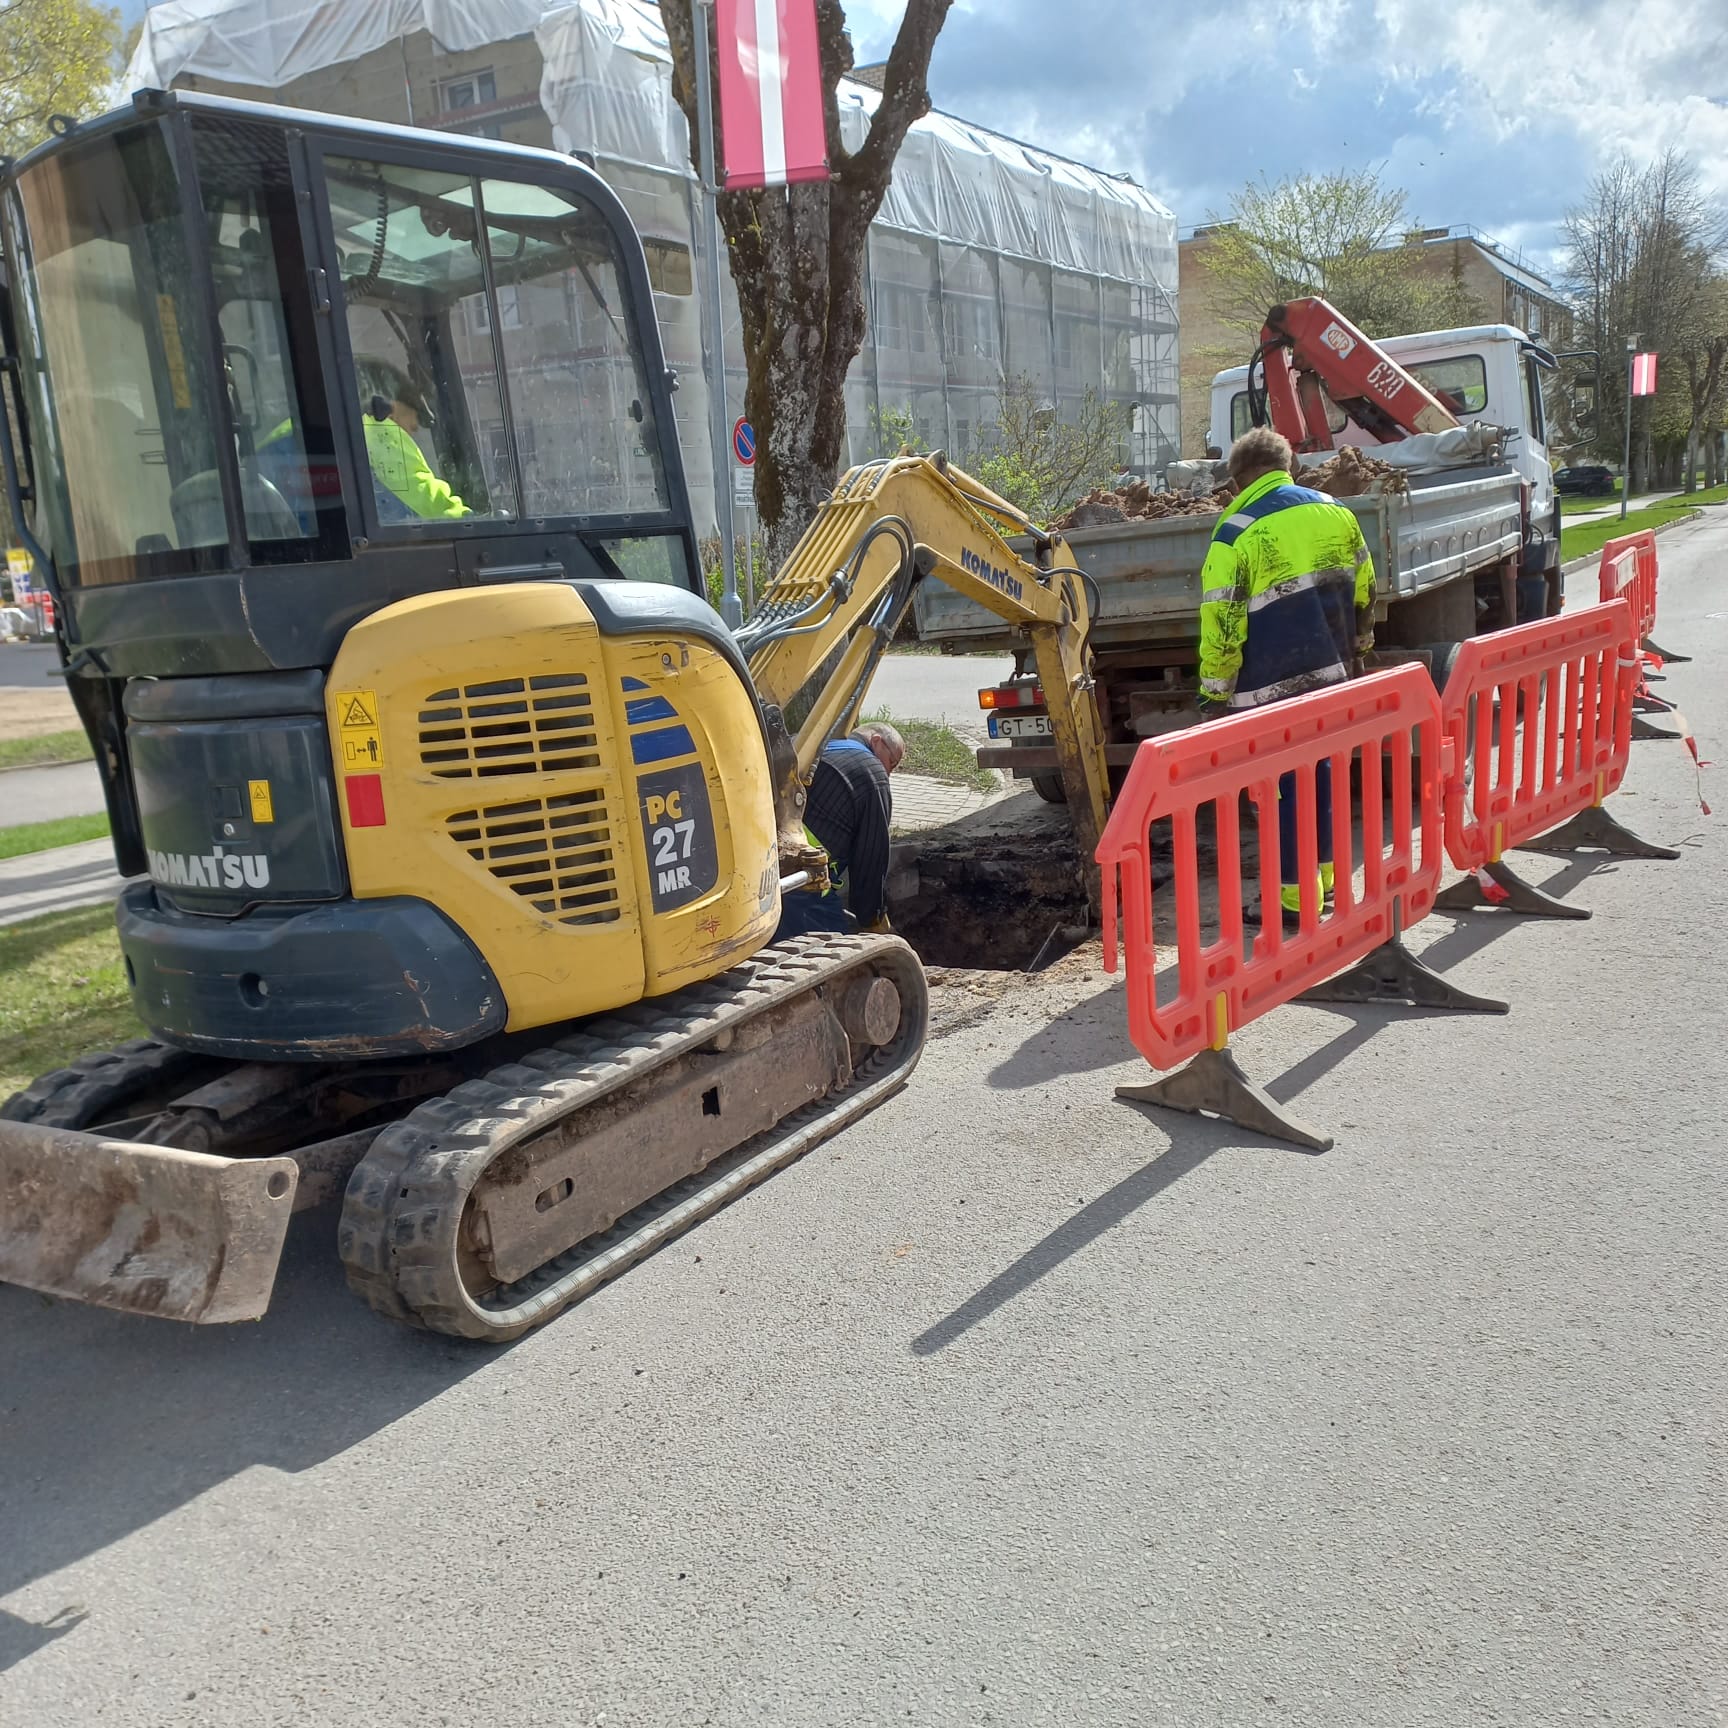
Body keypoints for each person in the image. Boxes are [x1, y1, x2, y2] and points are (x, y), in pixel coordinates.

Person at [1197, 427, 1376, 922]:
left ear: (1237, 481)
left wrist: (1214, 693)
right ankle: (1328, 885)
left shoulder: (1236, 530)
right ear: (1289, 466)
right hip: (1333, 675)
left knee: (1280, 791)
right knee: (1324, 777)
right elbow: (1364, 587)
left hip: (1269, 687)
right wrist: (1359, 649)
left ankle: (1293, 903)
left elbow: (1223, 619)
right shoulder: (1337, 512)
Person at [773, 721, 905, 941]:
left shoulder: (807, 744)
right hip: (805, 883)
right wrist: (872, 919)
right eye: (892, 762)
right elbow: (871, 858)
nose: (888, 773)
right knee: (842, 962)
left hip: (765, 873)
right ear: (876, 741)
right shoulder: (871, 772)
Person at [357, 359, 471, 522]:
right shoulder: (381, 434)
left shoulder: (357, 438)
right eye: (412, 426)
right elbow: (420, 491)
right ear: (389, 408)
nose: (410, 434)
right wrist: (465, 517)